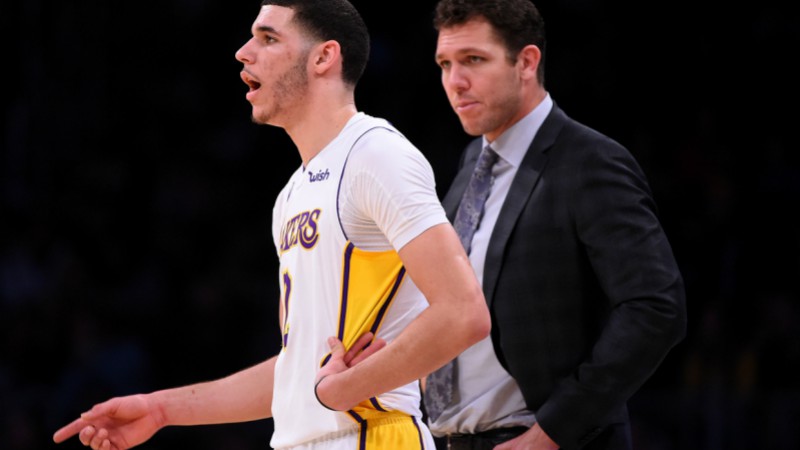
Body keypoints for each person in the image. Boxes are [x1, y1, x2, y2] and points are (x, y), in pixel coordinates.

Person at [52, 0, 491, 449]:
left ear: (323, 57)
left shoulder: (376, 155)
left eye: (268, 38)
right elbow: (296, 370)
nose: (243, 52)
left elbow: (464, 312)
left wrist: (342, 390)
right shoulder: (291, 196)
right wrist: (161, 409)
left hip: (372, 437)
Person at [421, 0, 688, 449]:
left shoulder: (589, 160)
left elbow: (656, 308)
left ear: (526, 62)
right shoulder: (471, 164)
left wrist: (550, 434)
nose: (455, 82)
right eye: (445, 64)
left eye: (473, 60)